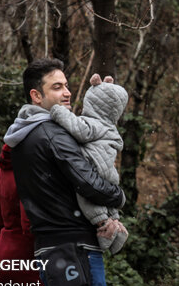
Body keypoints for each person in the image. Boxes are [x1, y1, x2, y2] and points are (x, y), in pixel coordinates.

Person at [3, 58, 125, 286]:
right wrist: (119, 196)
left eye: (67, 85)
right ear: (36, 95)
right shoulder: (53, 133)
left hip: (47, 249)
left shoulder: (21, 137)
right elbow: (88, 183)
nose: (67, 93)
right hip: (77, 248)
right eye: (57, 87)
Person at [49, 73, 129, 254]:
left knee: (86, 196)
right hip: (108, 171)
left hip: (94, 167)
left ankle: (104, 225)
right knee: (109, 204)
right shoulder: (110, 126)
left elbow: (80, 131)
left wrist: (58, 111)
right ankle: (115, 221)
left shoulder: (94, 124)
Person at [0, 144, 49, 286]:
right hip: (25, 261)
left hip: (1, 257)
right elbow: (29, 225)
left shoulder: (4, 168)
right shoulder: (29, 168)